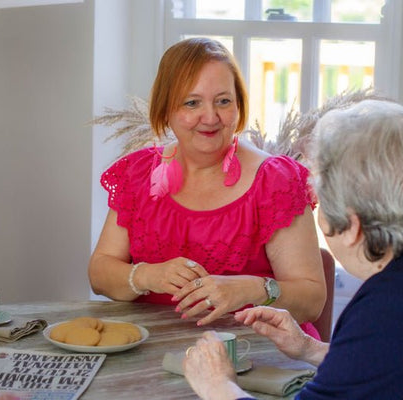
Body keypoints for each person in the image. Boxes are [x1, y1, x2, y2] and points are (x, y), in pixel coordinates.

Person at [88, 37, 325, 337]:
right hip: (153, 354)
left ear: (239, 105)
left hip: (257, 355)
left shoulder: (277, 181)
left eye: (223, 101)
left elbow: (312, 301)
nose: (210, 118)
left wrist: (251, 289)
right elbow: (99, 274)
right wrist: (147, 275)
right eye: (192, 103)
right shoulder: (137, 174)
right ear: (165, 110)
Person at [183, 98, 403, 399]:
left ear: (352, 228)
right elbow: (380, 365)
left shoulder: (383, 312)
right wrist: (309, 348)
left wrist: (217, 384)